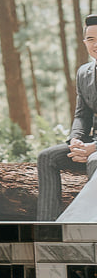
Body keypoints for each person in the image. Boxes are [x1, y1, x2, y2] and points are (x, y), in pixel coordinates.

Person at [37, 15, 97, 223]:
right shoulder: (84, 73)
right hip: (90, 144)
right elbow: (82, 115)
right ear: (84, 43)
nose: (95, 45)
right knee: (46, 157)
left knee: (94, 160)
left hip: (96, 151)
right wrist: (76, 140)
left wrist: (94, 148)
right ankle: (46, 225)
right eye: (90, 39)